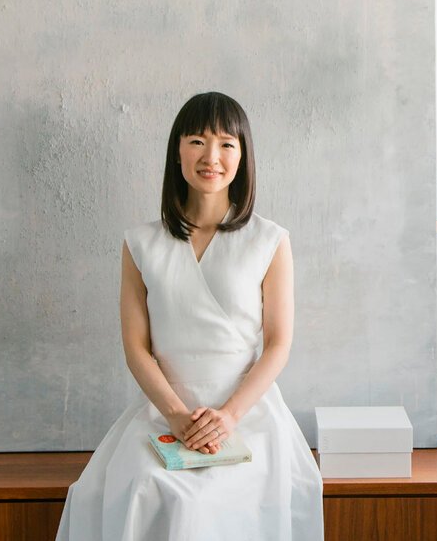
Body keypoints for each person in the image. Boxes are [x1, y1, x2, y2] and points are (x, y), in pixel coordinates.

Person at [56, 92, 324, 540]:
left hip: (248, 415)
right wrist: (178, 417)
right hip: (164, 413)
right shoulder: (140, 243)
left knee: (203, 503)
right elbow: (136, 349)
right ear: (176, 151)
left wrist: (229, 417)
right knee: (128, 490)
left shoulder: (270, 240)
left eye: (226, 144)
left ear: (243, 156)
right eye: (197, 141)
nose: (211, 156)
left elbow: (278, 344)